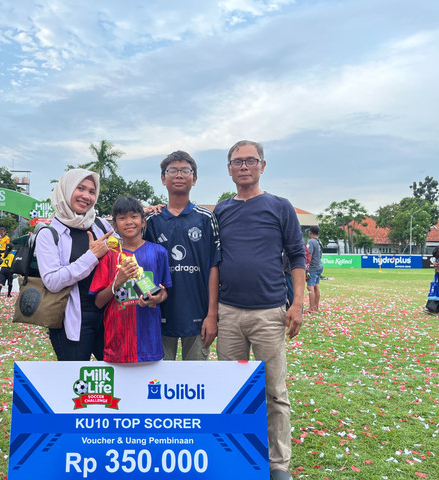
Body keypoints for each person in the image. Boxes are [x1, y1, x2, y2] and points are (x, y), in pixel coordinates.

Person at [214, 140, 306, 480]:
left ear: (262, 166)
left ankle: (278, 463)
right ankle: (234, 455)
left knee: (273, 392)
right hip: (229, 313)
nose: (243, 166)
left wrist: (296, 303)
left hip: (269, 313)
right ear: (229, 169)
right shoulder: (222, 211)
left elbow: (297, 256)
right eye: (237, 161)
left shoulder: (280, 207)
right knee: (231, 390)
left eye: (250, 160)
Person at [143, 151, 221, 360]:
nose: (179, 175)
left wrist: (212, 314)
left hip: (198, 316)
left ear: (194, 179)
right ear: (163, 178)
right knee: (158, 381)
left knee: (194, 384)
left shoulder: (206, 218)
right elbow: (137, 261)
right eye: (172, 171)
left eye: (185, 171)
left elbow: (214, 266)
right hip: (158, 316)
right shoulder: (151, 221)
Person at [35, 169, 113, 361]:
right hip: (71, 320)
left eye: (92, 191)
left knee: (117, 377)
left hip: (108, 316)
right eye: (80, 188)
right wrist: (92, 256)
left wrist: (144, 214)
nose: (86, 196)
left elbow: (126, 253)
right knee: (76, 383)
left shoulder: (101, 226)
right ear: (66, 189)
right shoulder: (49, 233)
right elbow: (52, 281)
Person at [91, 196, 172, 363]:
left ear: (143, 222)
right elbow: (98, 302)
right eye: (122, 218)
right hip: (117, 343)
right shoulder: (108, 256)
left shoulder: (159, 253)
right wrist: (118, 281)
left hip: (150, 342)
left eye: (134, 216)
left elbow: (164, 293)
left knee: (150, 387)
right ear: (115, 226)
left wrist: (158, 297)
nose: (129, 222)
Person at [305, 225, 323, 314]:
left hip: (313, 267)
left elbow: (309, 255)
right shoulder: (319, 242)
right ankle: (316, 307)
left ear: (310, 232)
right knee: (316, 286)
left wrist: (306, 267)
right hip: (319, 265)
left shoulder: (311, 241)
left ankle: (311, 308)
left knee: (310, 287)